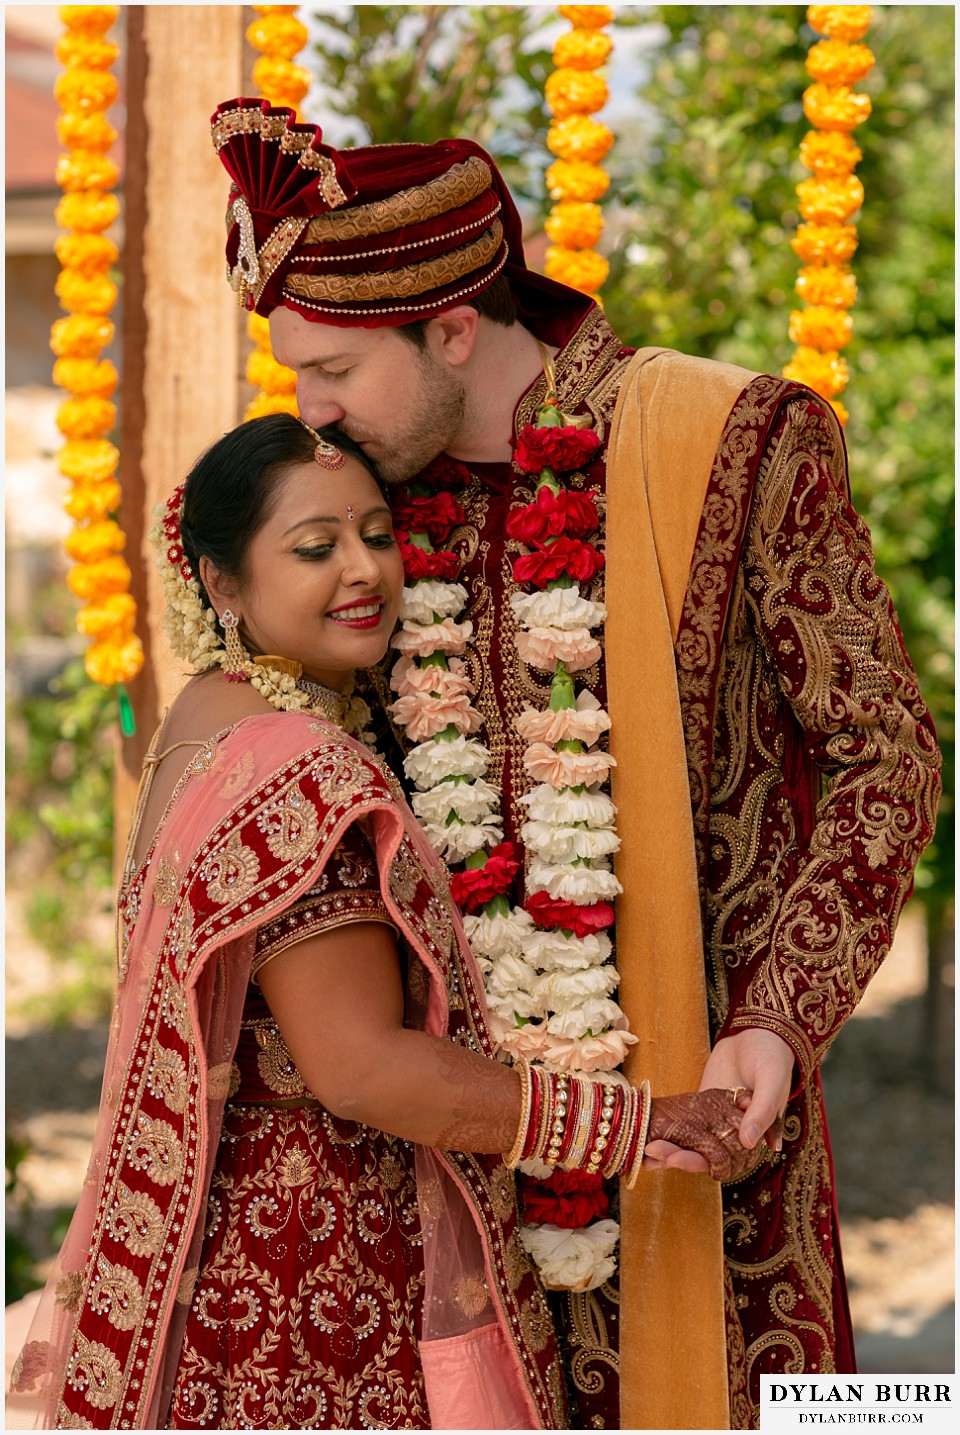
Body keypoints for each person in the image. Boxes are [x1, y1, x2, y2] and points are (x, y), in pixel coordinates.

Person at [204, 99, 943, 1431]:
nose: (306, 409)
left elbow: (882, 755)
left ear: (448, 326)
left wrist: (777, 1015)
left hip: (719, 1141)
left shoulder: (737, 444)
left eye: (331, 370)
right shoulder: (340, 513)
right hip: (438, 1173)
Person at [6, 414, 754, 1431]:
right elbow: (359, 1065)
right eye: (314, 548)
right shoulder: (303, 768)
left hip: (225, 1261)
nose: (362, 570)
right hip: (323, 1282)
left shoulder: (202, 722)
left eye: (373, 532)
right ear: (221, 585)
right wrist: (634, 1122)